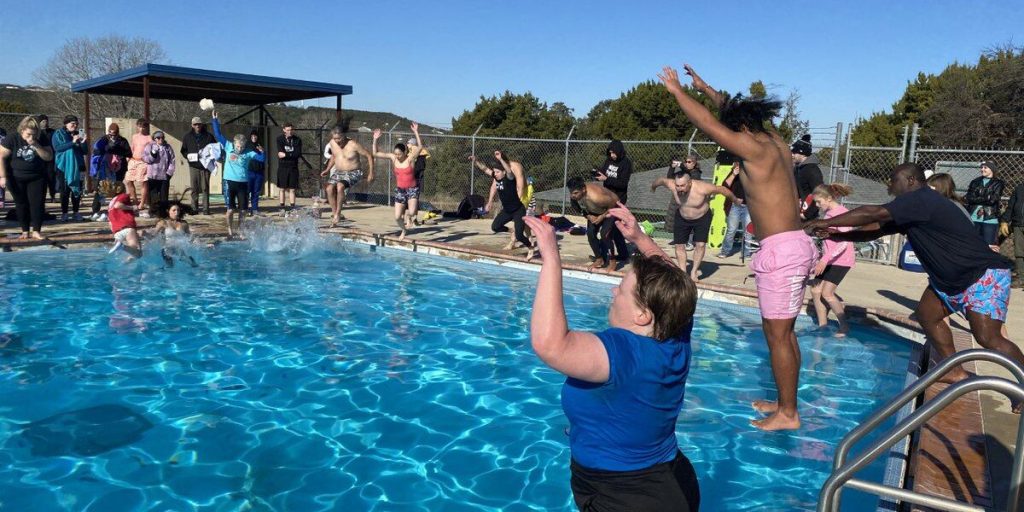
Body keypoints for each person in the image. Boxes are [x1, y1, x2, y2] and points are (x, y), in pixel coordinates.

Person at [659, 64, 817, 430]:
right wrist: (706, 88)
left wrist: (679, 93)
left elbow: (709, 123)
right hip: (795, 245)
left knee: (777, 336)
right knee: (785, 333)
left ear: (739, 127)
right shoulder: (775, 141)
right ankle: (785, 402)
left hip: (781, 250)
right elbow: (729, 110)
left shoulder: (751, 148)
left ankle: (789, 414)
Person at [523, 205, 700, 512]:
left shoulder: (625, 352)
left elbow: (550, 344)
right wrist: (640, 238)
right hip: (670, 480)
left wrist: (551, 257)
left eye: (623, 289)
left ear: (642, 315)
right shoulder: (675, 332)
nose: (615, 290)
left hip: (627, 496)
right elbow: (673, 282)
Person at [806, 163, 1021, 402]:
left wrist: (825, 223)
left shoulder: (921, 199)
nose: (890, 185)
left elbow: (874, 213)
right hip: (949, 280)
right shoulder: (912, 208)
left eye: (893, 180)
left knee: (988, 338)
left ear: (910, 181)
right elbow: (875, 229)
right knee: (927, 316)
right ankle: (955, 371)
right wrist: (839, 235)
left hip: (981, 275)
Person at [651, 171, 734, 281]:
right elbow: (661, 180)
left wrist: (735, 200)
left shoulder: (703, 187)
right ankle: (683, 273)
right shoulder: (672, 185)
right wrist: (653, 186)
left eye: (682, 186)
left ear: (689, 183)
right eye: (677, 186)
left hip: (702, 217)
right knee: (679, 245)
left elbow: (722, 190)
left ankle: (694, 271)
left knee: (700, 245)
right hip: (682, 217)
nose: (679, 189)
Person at [808, 183, 856, 336]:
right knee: (815, 289)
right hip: (829, 259)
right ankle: (823, 325)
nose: (816, 205)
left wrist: (824, 259)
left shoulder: (842, 214)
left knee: (827, 293)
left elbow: (844, 242)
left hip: (842, 260)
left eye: (818, 202)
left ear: (828, 199)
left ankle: (844, 326)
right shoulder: (828, 214)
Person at [211, 111, 265, 238]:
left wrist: (263, 152)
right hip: (229, 182)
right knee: (230, 209)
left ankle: (240, 231)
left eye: (242, 147)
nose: (240, 149)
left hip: (243, 183)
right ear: (234, 143)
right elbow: (218, 134)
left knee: (243, 210)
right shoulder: (228, 146)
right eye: (238, 146)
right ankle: (230, 231)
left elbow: (262, 159)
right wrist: (215, 120)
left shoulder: (248, 152)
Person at [472, 151, 534, 259]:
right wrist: (476, 161)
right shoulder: (496, 178)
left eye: (497, 172)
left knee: (519, 236)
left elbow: (509, 171)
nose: (495, 174)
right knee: (495, 227)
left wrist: (501, 159)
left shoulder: (509, 179)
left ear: (504, 172)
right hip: (507, 211)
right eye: (494, 172)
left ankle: (530, 247)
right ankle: (512, 230)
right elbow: (485, 169)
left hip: (518, 210)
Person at [0, 116, 53, 239]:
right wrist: (2, 177)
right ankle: (25, 231)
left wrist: (36, 144)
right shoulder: (12, 138)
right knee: (21, 203)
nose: (31, 137)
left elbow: (48, 157)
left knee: (37, 204)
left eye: (34, 134)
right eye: (29, 134)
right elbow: (1, 157)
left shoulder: (41, 138)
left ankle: (36, 231)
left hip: (37, 176)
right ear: (22, 130)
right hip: (16, 176)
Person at [372, 123, 423, 241]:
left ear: (405, 152)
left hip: (412, 189)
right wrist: (375, 140)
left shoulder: (410, 159)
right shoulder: (393, 158)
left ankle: (409, 217)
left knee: (411, 211)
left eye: (399, 154)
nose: (397, 156)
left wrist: (416, 132)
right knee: (396, 217)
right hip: (400, 190)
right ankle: (404, 230)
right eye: (396, 154)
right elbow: (375, 153)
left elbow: (420, 147)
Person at [321, 124, 374, 226]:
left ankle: (338, 213)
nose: (337, 141)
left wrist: (371, 173)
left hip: (354, 172)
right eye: (335, 138)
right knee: (329, 188)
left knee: (340, 186)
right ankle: (335, 213)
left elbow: (369, 155)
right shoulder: (332, 143)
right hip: (339, 172)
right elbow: (334, 156)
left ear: (344, 135)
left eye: (339, 138)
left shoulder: (353, 144)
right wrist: (327, 169)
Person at [568, 177, 622, 270]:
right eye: (571, 193)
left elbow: (616, 203)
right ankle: (599, 259)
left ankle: (612, 261)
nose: (573, 196)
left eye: (576, 193)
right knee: (590, 234)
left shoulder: (597, 197)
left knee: (605, 234)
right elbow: (575, 206)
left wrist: (602, 216)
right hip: (594, 212)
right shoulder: (575, 194)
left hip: (610, 210)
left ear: (584, 190)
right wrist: (588, 216)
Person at [595, 138, 633, 262]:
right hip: (606, 198)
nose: (612, 155)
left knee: (607, 230)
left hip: (618, 200)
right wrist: (598, 174)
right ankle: (623, 253)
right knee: (616, 228)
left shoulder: (626, 163)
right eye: (610, 153)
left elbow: (622, 183)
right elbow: (604, 173)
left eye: (614, 153)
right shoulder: (608, 161)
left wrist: (606, 179)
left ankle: (606, 255)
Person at [90, 123, 131, 221]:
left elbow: (129, 153)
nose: (112, 136)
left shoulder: (122, 141)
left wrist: (116, 150)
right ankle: (95, 211)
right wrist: (106, 150)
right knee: (101, 188)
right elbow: (96, 150)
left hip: (119, 168)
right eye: (110, 134)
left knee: (117, 190)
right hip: (104, 169)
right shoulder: (103, 139)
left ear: (118, 133)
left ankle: (116, 210)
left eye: (114, 134)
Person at [52, 115, 88, 222]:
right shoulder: (58, 134)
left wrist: (83, 142)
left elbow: (85, 151)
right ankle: (64, 213)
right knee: (65, 190)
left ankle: (76, 212)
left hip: (79, 165)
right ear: (66, 124)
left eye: (76, 124)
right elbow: (58, 148)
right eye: (72, 123)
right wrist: (72, 142)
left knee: (77, 190)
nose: (75, 126)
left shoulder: (78, 134)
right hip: (64, 166)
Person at [180, 116, 217, 215]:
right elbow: (183, 150)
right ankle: (194, 208)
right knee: (194, 188)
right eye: (195, 124)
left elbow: (215, 149)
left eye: (199, 124)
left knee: (205, 188)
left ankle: (206, 209)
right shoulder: (187, 137)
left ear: (202, 124)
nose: (197, 126)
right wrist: (188, 156)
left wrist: (211, 158)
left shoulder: (209, 136)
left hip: (205, 166)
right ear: (192, 125)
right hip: (193, 166)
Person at [964, 161, 1005, 247]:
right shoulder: (975, 182)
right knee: (972, 245)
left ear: (992, 169)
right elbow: (969, 198)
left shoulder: (998, 183)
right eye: (982, 167)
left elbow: (992, 200)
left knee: (988, 246)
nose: (982, 169)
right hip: (973, 217)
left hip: (990, 218)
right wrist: (986, 197)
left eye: (985, 167)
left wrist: (977, 198)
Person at [717, 159, 753, 258]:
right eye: (737, 163)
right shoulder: (734, 173)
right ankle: (725, 251)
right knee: (732, 230)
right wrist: (733, 174)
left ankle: (746, 253)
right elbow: (725, 186)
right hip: (734, 205)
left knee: (748, 231)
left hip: (748, 206)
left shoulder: (751, 174)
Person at [151, 198, 197, 267]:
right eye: (174, 210)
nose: (176, 212)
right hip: (167, 250)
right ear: (168, 211)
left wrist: (202, 244)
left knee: (193, 264)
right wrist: (145, 234)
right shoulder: (163, 223)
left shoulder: (184, 224)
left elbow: (190, 238)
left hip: (179, 249)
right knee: (170, 267)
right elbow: (153, 235)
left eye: (178, 210)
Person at [105, 181, 143, 259]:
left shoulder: (110, 203)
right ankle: (122, 246)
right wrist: (133, 207)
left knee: (133, 253)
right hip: (127, 227)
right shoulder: (123, 196)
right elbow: (118, 205)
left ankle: (125, 264)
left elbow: (110, 222)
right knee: (138, 253)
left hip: (117, 231)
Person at [791, 134, 824, 220]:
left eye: (794, 152)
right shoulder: (797, 169)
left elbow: (819, 193)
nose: (792, 155)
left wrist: (807, 214)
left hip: (808, 218)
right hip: (796, 214)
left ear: (802, 153)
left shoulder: (812, 170)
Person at [1000, 178, 1024, 290]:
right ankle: (1021, 277)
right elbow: (1011, 206)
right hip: (1019, 224)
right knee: (1019, 252)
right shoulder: (1019, 188)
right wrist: (1005, 220)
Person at [142, 131, 175, 210]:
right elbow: (146, 159)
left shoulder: (168, 147)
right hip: (153, 176)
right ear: (154, 138)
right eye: (158, 138)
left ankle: (163, 212)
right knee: (153, 197)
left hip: (164, 176)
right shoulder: (149, 146)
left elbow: (172, 161)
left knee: (164, 197)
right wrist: (153, 154)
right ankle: (154, 211)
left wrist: (169, 173)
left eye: (162, 137)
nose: (161, 139)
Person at [126, 119, 151, 217]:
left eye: (143, 126)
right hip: (133, 160)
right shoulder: (134, 136)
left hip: (143, 162)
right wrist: (128, 159)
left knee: (143, 182)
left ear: (146, 127)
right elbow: (132, 148)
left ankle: (142, 203)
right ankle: (135, 200)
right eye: (140, 126)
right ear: (137, 126)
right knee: (128, 180)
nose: (141, 128)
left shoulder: (149, 138)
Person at [276, 123, 302, 210]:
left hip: (293, 167)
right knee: (282, 188)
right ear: (284, 130)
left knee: (292, 189)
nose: (289, 132)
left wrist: (286, 155)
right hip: (283, 167)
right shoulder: (279, 139)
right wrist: (291, 154)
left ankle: (292, 207)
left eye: (291, 130)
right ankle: (282, 207)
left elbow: (298, 154)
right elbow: (280, 153)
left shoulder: (297, 140)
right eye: (287, 130)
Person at [36, 115, 57, 203]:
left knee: (51, 177)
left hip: (50, 158)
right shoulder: (36, 133)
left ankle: (53, 196)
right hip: (39, 158)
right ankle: (42, 197)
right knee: (41, 179)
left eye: (46, 121)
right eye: (43, 121)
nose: (45, 123)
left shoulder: (52, 132)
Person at [246, 128, 265, 216]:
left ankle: (254, 209)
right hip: (249, 172)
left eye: (255, 136)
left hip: (259, 172)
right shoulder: (247, 145)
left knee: (256, 192)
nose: (254, 137)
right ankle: (244, 209)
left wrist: (262, 151)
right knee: (247, 191)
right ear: (250, 137)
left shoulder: (260, 145)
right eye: (252, 136)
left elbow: (263, 159)